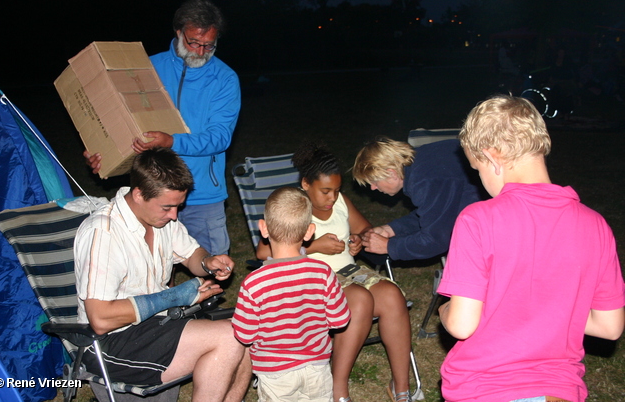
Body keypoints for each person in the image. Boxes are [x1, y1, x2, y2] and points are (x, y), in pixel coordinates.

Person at [437, 95, 625, 402]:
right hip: (559, 390)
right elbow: (610, 327)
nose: (480, 180)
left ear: (492, 157)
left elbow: (461, 324)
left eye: (477, 169)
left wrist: (445, 310)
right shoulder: (596, 225)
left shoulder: (479, 218)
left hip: (485, 389)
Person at [74, 147, 251, 402]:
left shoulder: (161, 221)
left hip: (156, 326)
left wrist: (208, 262)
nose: (175, 215)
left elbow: (192, 256)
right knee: (229, 337)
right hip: (109, 341)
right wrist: (176, 296)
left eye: (178, 206)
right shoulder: (104, 233)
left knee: (244, 334)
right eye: (168, 207)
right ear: (138, 194)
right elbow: (100, 318)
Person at [256, 143, 414, 402]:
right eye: (326, 191)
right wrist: (315, 245)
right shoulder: (293, 206)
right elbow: (262, 253)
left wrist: (357, 239)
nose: (332, 197)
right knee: (360, 301)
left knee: (392, 295)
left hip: (349, 270)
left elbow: (364, 228)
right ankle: (338, 389)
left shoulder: (340, 201)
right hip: (311, 277)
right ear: (306, 184)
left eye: (336, 191)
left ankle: (402, 388)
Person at [85, 0, 240, 256]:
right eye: (194, 43)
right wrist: (102, 152)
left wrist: (172, 142)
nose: (201, 52)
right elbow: (120, 120)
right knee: (154, 268)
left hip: (202, 194)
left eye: (209, 45)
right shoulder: (146, 68)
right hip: (152, 192)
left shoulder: (224, 79)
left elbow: (220, 137)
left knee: (212, 266)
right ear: (178, 31)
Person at [232, 187, 351, 402]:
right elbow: (340, 320)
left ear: (263, 228)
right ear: (309, 231)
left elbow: (244, 334)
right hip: (317, 367)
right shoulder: (323, 272)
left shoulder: (254, 283)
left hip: (275, 372)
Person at [352, 136, 484, 262]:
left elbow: (436, 240)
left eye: (374, 181)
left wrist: (389, 246)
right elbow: (438, 213)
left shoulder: (425, 181)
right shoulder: (420, 161)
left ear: (391, 173)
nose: (373, 188)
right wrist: (391, 229)